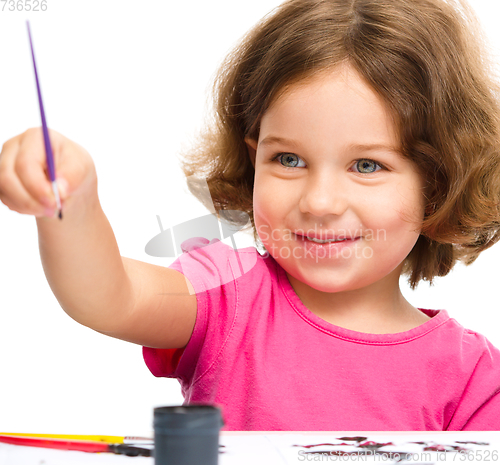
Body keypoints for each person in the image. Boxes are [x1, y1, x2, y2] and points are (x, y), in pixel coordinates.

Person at [1, 0, 500, 431]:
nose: (319, 202)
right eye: (289, 160)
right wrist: (72, 200)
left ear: (437, 184)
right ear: (253, 158)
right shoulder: (226, 294)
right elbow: (109, 297)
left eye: (366, 165)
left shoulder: (475, 378)